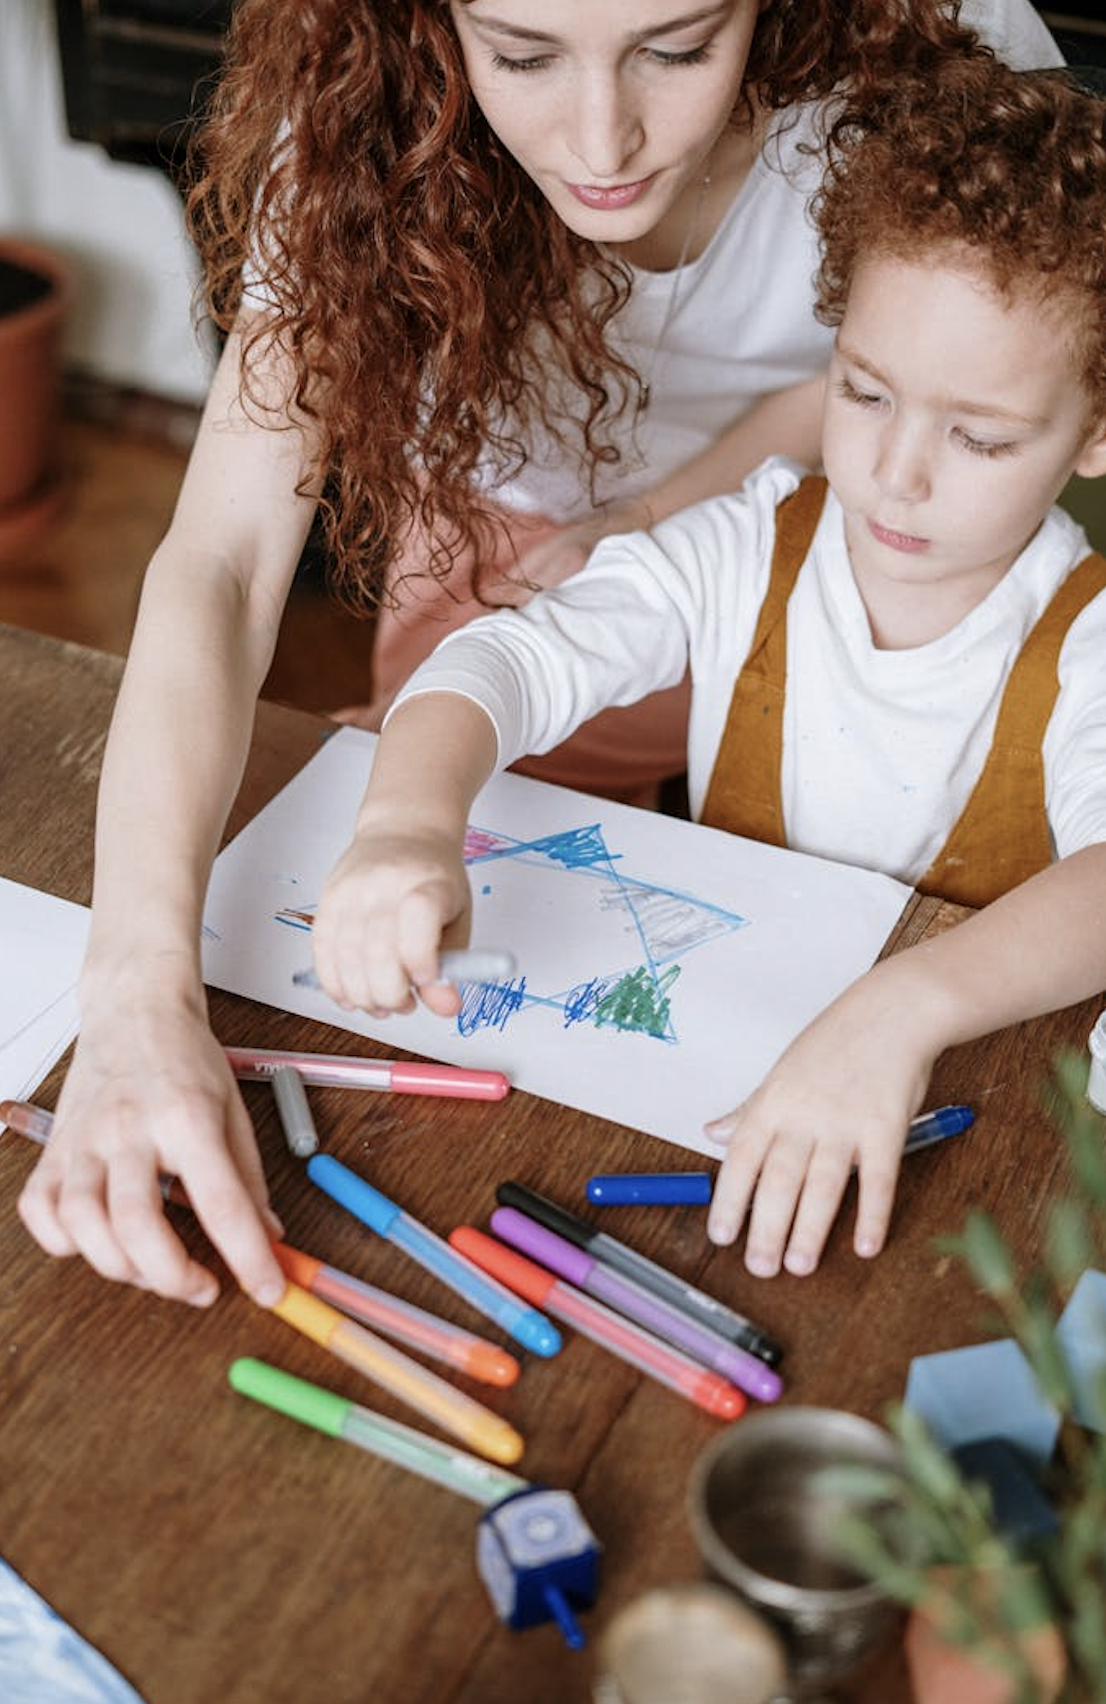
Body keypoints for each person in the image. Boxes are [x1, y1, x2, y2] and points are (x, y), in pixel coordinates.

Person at [16, 1, 1060, 1309]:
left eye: (676, 48)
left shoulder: (940, 52)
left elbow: (905, 366)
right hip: (500, 564)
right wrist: (130, 998)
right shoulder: (358, 116)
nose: (602, 136)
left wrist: (644, 522)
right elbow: (221, 569)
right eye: (519, 55)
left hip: (826, 545)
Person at [303, 55, 1106, 1281]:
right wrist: (406, 825)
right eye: (863, 391)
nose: (894, 472)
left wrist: (900, 1008)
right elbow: (504, 661)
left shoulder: (1087, 632)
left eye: (979, 437)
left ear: (1092, 434)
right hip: (723, 1079)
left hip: (977, 1147)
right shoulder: (748, 543)